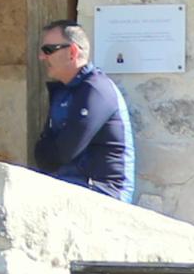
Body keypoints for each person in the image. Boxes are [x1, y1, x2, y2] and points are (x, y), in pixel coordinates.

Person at [31, 22, 134, 202]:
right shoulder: (63, 92)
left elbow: (63, 153)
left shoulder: (96, 90)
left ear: (72, 52)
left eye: (48, 50)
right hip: (74, 189)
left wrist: (51, 150)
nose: (41, 57)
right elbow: (42, 156)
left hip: (104, 195)